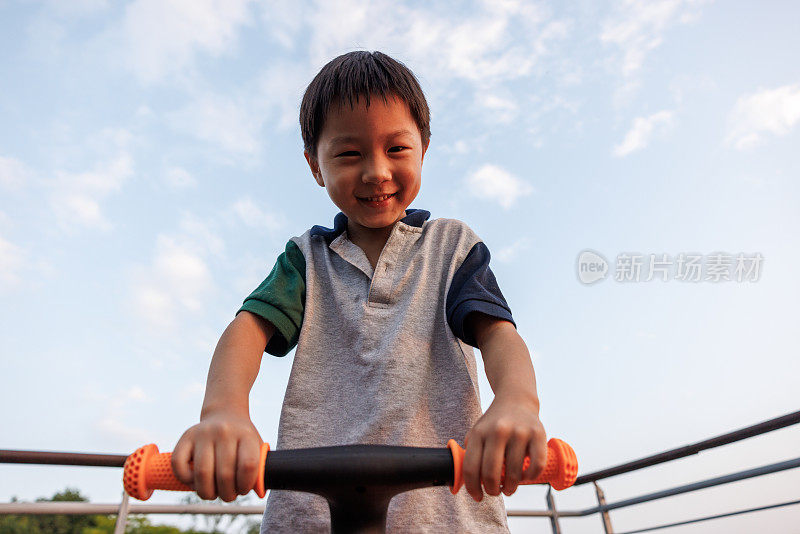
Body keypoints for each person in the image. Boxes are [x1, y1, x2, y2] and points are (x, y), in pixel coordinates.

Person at [171, 50, 546, 533]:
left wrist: (517, 401)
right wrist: (223, 413)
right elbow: (247, 331)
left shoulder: (451, 247)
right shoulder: (306, 259)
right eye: (349, 154)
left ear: (424, 147)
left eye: (396, 149)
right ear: (314, 165)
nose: (375, 172)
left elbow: (499, 335)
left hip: (444, 514)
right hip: (312, 517)